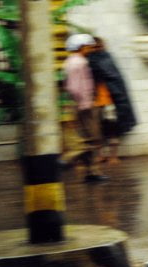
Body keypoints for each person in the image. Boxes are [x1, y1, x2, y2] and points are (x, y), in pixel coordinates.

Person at [63, 34, 108, 183]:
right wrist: (85, 103)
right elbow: (74, 87)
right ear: (81, 47)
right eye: (88, 46)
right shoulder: (79, 63)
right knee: (93, 138)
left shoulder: (71, 61)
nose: (90, 49)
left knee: (88, 138)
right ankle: (68, 158)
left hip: (81, 105)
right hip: (85, 106)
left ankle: (92, 172)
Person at [86, 36, 137, 165]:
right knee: (98, 130)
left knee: (113, 130)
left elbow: (114, 78)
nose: (97, 49)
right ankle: (101, 155)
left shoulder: (105, 58)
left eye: (98, 46)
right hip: (97, 101)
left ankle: (113, 156)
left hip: (109, 102)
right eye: (94, 47)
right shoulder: (91, 60)